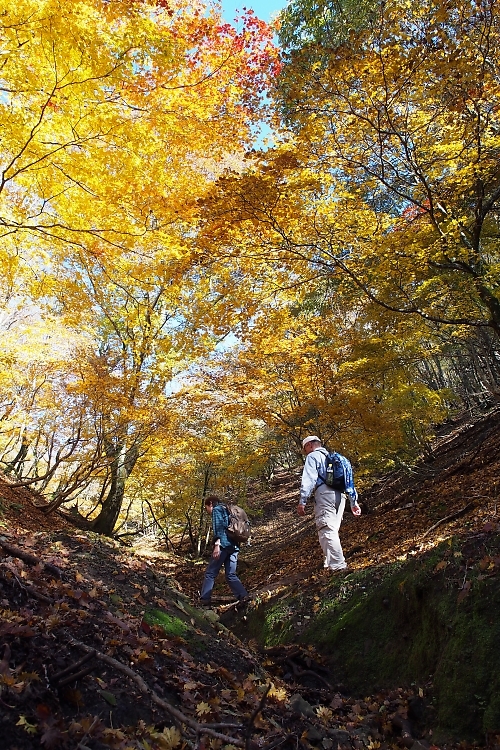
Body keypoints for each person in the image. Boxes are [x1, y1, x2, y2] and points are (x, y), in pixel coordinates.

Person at [297, 436, 361, 573]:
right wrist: (353, 502)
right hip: (341, 496)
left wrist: (302, 501)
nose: (306, 452)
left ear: (309, 445)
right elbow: (348, 479)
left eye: (305, 449)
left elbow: (309, 479)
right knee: (332, 529)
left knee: (326, 529)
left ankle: (338, 566)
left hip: (325, 494)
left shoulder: (313, 456)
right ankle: (329, 562)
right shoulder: (336, 457)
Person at [199, 495, 250, 606]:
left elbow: (219, 528)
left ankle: (204, 600)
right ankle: (244, 597)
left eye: (206, 507)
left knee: (210, 573)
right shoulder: (227, 509)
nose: (207, 510)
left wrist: (217, 545)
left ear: (211, 503)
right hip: (234, 546)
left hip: (223, 546)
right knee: (231, 574)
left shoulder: (217, 510)